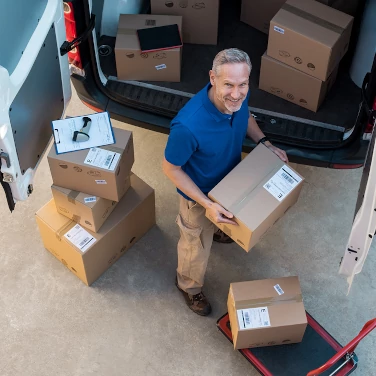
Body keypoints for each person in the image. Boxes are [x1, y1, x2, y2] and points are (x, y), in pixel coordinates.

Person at [162, 48, 288, 316]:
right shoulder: (188, 126)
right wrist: (207, 204)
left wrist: (265, 143)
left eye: (242, 84)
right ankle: (188, 286)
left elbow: (246, 115)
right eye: (228, 85)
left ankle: (219, 229)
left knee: (223, 220)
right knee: (194, 246)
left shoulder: (239, 96)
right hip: (199, 195)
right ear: (212, 78)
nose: (236, 93)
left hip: (229, 181)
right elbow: (170, 168)